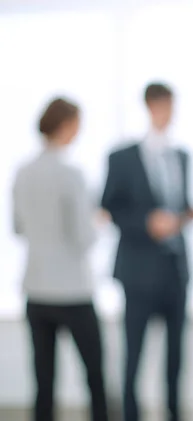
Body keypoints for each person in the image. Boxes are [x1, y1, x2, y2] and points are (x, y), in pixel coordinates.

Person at [101, 82, 193, 421]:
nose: (168, 113)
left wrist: (187, 216)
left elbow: (179, 206)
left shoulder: (182, 156)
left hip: (175, 270)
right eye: (163, 106)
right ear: (150, 106)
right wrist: (147, 222)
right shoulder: (122, 156)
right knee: (134, 355)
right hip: (138, 270)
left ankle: (174, 413)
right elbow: (110, 209)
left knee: (175, 357)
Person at [12, 97, 109, 421]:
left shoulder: (22, 171)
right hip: (73, 291)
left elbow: (17, 227)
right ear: (66, 126)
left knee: (44, 381)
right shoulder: (72, 174)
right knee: (95, 376)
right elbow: (83, 239)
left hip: (36, 289)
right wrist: (99, 221)